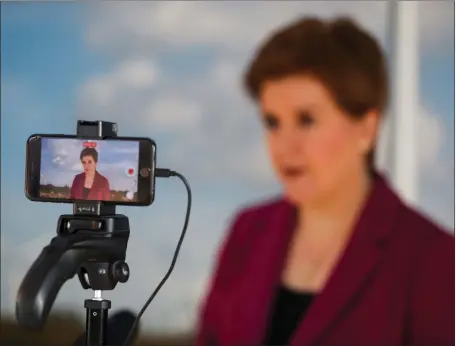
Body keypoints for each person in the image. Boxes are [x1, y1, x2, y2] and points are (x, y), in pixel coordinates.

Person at [195, 17, 454, 346]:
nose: (285, 145)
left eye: (307, 120)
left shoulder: (433, 257)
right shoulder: (246, 232)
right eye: (273, 122)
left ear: (366, 128)